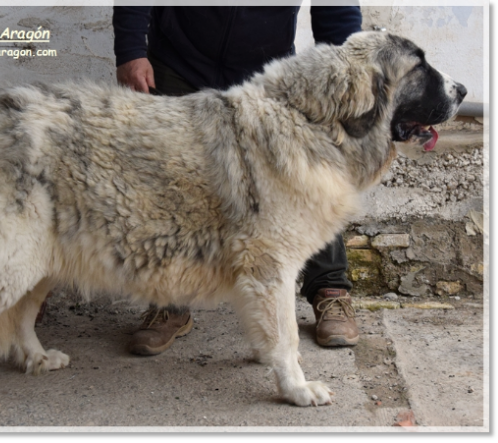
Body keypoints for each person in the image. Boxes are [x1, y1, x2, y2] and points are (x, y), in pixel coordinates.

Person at [112, 5, 362, 356]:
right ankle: (168, 300)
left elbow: (336, 9)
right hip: (179, 58)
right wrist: (131, 51)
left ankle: (331, 290)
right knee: (167, 182)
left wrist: (343, 75)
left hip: (264, 63)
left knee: (306, 173)